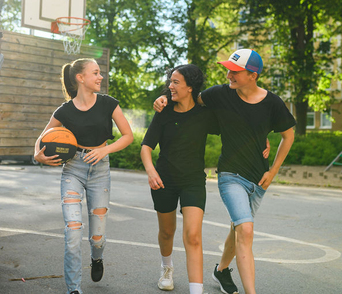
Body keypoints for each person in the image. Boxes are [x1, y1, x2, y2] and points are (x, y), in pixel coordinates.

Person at [154, 49, 295, 294]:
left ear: (253, 75)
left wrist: (273, 170)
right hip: (230, 173)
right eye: (228, 69)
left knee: (239, 227)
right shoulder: (220, 94)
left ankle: (221, 270)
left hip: (259, 177)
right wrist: (165, 97)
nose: (228, 74)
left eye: (235, 71)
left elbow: (288, 135)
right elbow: (189, 99)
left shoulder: (272, 102)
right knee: (246, 229)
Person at [34, 58, 134, 294]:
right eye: (96, 73)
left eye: (100, 73)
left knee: (97, 236)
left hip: (100, 169)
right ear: (80, 78)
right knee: (72, 232)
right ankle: (74, 289)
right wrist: (37, 154)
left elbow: (127, 136)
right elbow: (42, 137)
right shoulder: (64, 110)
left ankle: (97, 258)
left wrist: (104, 150)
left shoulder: (109, 104)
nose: (101, 77)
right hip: (73, 169)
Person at [141, 64, 219, 294]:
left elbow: (234, 127)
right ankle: (167, 268)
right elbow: (146, 146)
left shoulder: (205, 115)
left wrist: (261, 138)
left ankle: (196, 290)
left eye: (175, 82)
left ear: (190, 87)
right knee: (167, 232)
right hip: (163, 180)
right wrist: (151, 171)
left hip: (193, 181)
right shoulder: (163, 111)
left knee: (193, 236)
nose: (170, 86)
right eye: (170, 81)